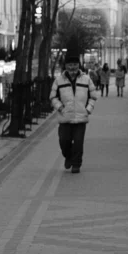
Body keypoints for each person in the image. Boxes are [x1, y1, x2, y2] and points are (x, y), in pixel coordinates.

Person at [50, 45, 97, 174]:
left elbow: (93, 96)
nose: (72, 67)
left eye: (75, 64)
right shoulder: (59, 81)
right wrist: (60, 107)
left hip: (81, 118)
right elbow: (53, 97)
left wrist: (88, 109)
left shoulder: (86, 80)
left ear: (79, 65)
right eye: (70, 64)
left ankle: (76, 164)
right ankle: (68, 156)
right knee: (63, 141)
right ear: (66, 66)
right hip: (65, 117)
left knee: (78, 143)